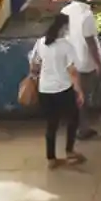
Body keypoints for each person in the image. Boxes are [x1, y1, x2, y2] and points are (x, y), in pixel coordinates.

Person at [29, 10, 86, 167]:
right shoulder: (66, 46)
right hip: (63, 89)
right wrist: (79, 91)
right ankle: (69, 150)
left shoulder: (41, 42)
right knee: (73, 119)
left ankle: (51, 159)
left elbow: (34, 64)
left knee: (51, 124)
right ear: (62, 28)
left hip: (45, 89)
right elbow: (72, 72)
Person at [62, 0, 101, 137]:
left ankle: (83, 128)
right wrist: (99, 65)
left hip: (72, 59)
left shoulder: (65, 10)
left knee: (80, 96)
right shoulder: (86, 15)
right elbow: (91, 42)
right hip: (87, 61)